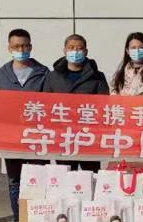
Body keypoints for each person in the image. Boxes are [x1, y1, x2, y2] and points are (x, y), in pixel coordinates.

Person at [0, 28, 49, 222]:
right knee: (15, 181)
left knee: (39, 179)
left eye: (24, 45)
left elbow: (53, 105)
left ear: (30, 46)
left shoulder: (44, 73)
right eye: (16, 46)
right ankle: (19, 221)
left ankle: (41, 221)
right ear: (9, 48)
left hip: (38, 138)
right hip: (11, 139)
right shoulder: (0, 76)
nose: (21, 49)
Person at [43, 34, 109, 173]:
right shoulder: (53, 76)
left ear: (86, 51)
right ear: (65, 50)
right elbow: (46, 105)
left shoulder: (97, 76)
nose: (75, 52)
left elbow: (104, 106)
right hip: (63, 136)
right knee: (65, 175)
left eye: (79, 48)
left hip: (89, 136)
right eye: (71, 48)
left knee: (91, 175)